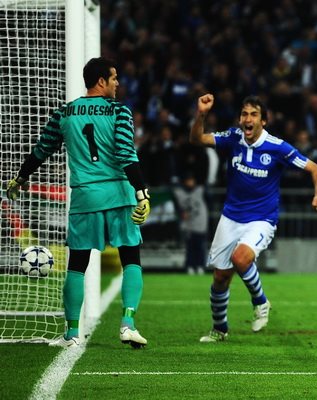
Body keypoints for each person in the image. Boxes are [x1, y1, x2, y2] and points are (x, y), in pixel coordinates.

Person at [5, 57, 151, 348]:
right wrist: (142, 192)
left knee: (77, 265)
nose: (117, 83)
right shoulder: (119, 111)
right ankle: (128, 324)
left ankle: (72, 333)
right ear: (101, 81)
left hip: (85, 198)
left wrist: (20, 178)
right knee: (131, 258)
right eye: (114, 78)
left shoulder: (65, 112)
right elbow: (126, 154)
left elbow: (42, 149)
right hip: (119, 195)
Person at [190, 94, 317, 342]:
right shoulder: (233, 137)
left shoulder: (278, 147)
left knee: (240, 258)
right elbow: (197, 139)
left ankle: (261, 302)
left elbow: (315, 168)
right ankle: (219, 330)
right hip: (231, 216)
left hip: (261, 218)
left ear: (264, 121)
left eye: (254, 114)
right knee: (220, 277)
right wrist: (201, 114)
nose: (248, 119)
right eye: (244, 114)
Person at [173, 173, 209, 275]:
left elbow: (209, 204)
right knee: (190, 247)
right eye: (188, 181)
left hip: (200, 223)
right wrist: (181, 213)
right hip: (188, 225)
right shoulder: (179, 192)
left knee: (200, 247)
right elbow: (177, 208)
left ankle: (200, 266)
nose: (190, 183)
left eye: (191, 180)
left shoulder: (201, 190)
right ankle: (190, 266)